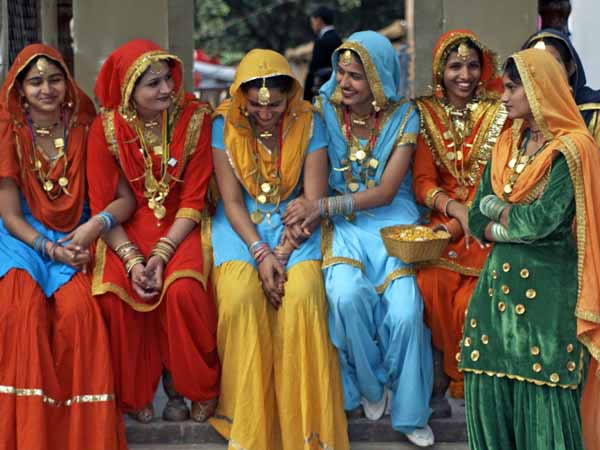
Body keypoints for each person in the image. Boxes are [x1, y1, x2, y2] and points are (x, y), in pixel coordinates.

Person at [294, 30, 434, 446]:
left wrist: (322, 207)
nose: (345, 82)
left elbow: (387, 191)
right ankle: (371, 385)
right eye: (341, 72)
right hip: (346, 228)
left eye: (356, 75)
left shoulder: (405, 116)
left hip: (393, 224)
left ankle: (410, 411)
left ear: (379, 78)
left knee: (406, 311)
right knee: (344, 297)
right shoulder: (323, 110)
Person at [208, 48, 349, 450]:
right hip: (241, 225)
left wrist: (283, 253)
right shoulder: (224, 123)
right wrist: (261, 253)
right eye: (256, 105)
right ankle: (246, 422)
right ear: (242, 96)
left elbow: (313, 198)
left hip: (296, 224)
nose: (265, 113)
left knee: (303, 297)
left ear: (291, 94)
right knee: (239, 298)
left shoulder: (309, 121)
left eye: (275, 105)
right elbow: (231, 201)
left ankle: (306, 429)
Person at [460, 48, 600, 450]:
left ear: (538, 89)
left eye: (511, 89)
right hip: (494, 295)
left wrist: (497, 211)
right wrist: (502, 218)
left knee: (545, 402)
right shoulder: (507, 142)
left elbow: (537, 223)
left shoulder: (572, 150)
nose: (503, 98)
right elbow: (474, 216)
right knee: (489, 392)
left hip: (547, 298)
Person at [86, 39, 220, 423]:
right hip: (125, 227)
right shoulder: (106, 127)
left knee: (184, 290)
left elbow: (193, 198)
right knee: (114, 295)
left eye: (168, 79)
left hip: (182, 223)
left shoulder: (195, 118)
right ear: (129, 90)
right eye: (153, 84)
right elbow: (103, 205)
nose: (166, 89)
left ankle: (193, 386)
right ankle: (135, 391)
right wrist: (132, 261)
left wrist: (161, 254)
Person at [0, 44, 126, 449]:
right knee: (22, 310)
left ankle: (80, 438)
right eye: (35, 82)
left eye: (54, 79)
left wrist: (91, 229)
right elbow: (10, 216)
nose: (47, 89)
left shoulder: (88, 129)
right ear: (20, 91)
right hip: (21, 239)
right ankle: (24, 436)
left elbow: (123, 199)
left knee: (80, 316)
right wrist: (50, 249)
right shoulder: (9, 132)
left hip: (76, 234)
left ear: (67, 83)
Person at [412, 30, 509, 400]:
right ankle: (454, 372)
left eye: (472, 65)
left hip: (487, 222)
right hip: (442, 221)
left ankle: (472, 376)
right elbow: (423, 181)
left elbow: (500, 178)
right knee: (431, 284)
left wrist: (466, 220)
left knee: (472, 300)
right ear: (441, 71)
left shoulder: (500, 111)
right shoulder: (424, 113)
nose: (464, 75)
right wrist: (453, 212)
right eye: (455, 66)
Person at [523, 28, 600, 146]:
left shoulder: (594, 113)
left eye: (551, 63)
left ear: (570, 68)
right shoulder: (519, 116)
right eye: (534, 65)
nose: (543, 71)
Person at [303, 5, 342, 101]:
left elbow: (314, 70)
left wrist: (307, 98)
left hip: (323, 91)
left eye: (313, 22)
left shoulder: (321, 41)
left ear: (319, 21)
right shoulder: (338, 39)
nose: (312, 26)